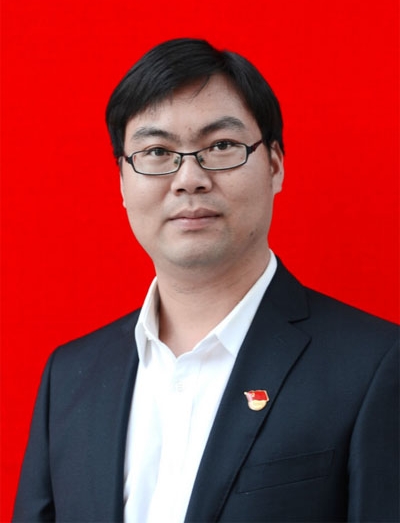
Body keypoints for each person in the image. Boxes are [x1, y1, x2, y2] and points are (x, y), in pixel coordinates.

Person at [13, 38, 398, 523]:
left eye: (221, 146)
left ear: (275, 164)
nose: (189, 178)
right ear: (122, 181)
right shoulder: (70, 378)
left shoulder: (374, 366)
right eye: (157, 151)